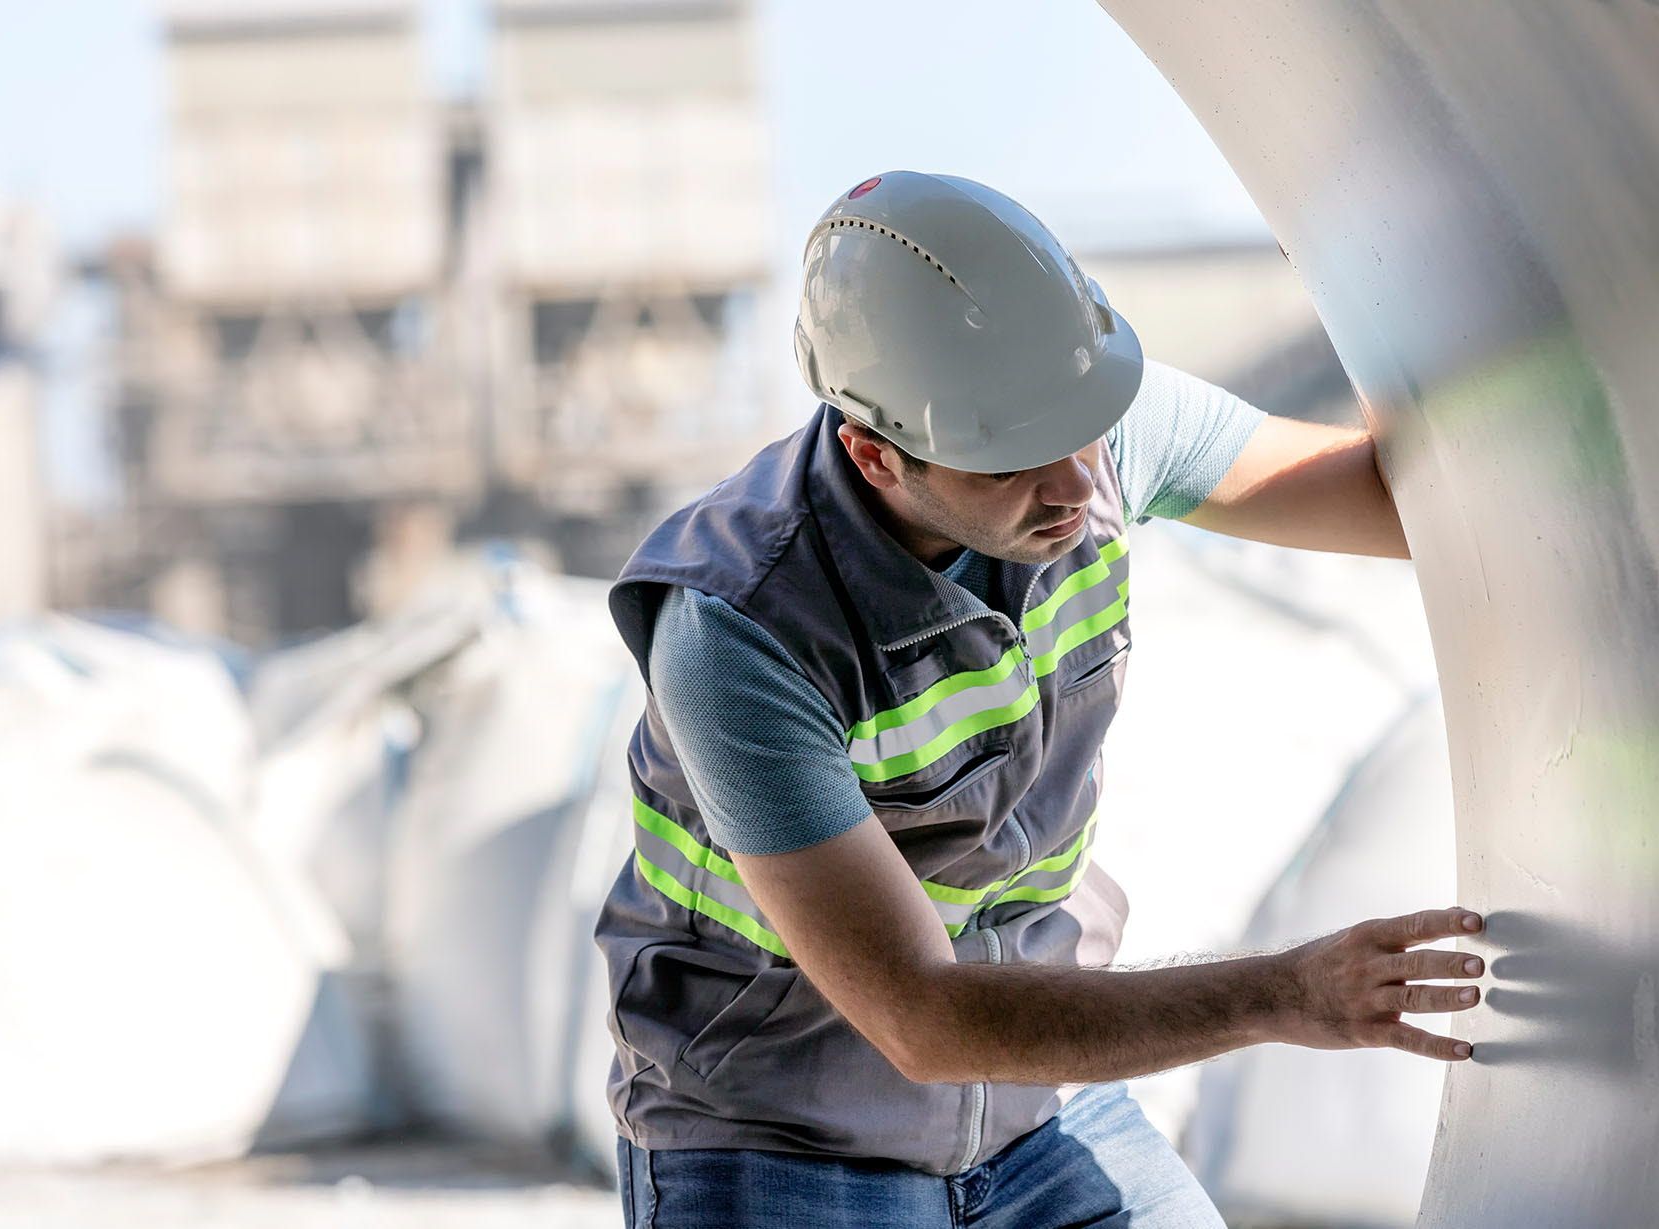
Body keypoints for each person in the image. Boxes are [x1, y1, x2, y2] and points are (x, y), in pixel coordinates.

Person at [596, 171, 1485, 1229]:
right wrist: (1283, 994)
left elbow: (1406, 501)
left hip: (1037, 1113)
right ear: (873, 452)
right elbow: (921, 1016)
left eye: (1087, 427)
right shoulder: (738, 629)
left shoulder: (1088, 431)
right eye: (1013, 459)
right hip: (784, 1144)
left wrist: (1372, 289)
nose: (1074, 483)